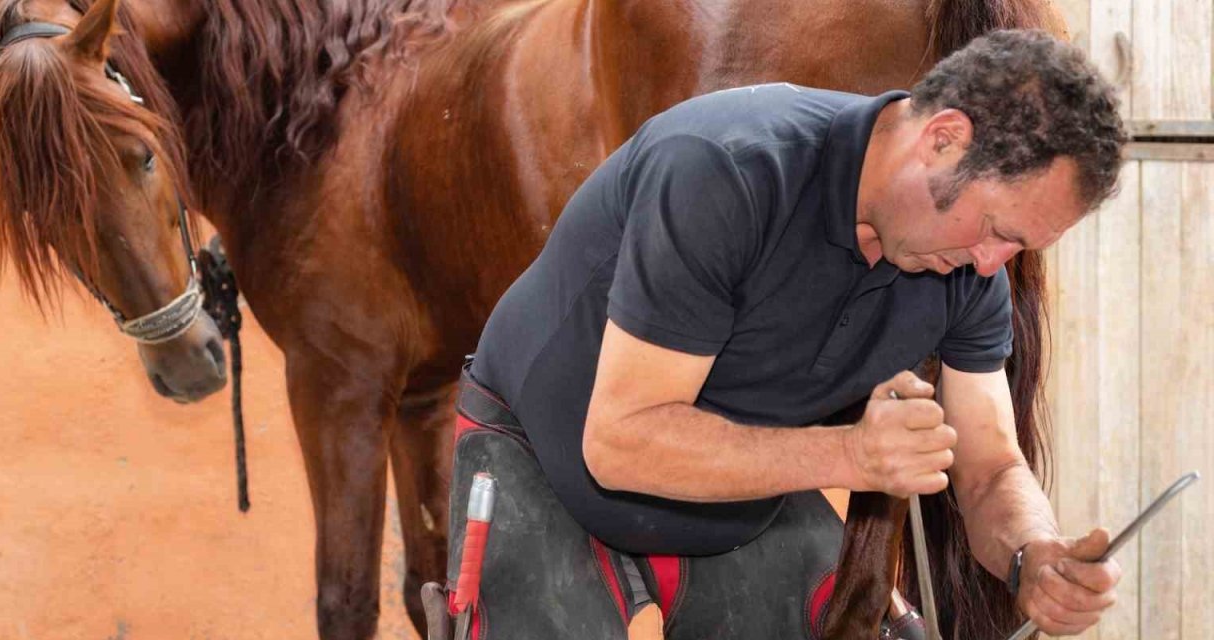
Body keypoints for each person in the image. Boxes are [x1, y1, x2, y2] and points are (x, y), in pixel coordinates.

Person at [434, 29, 1127, 639]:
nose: (991, 265)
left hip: (739, 476)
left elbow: (990, 469)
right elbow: (618, 441)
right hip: (549, 451)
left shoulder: (968, 271)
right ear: (942, 140)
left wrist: (1031, 553)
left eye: (1019, 248)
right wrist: (854, 454)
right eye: (999, 230)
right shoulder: (725, 171)